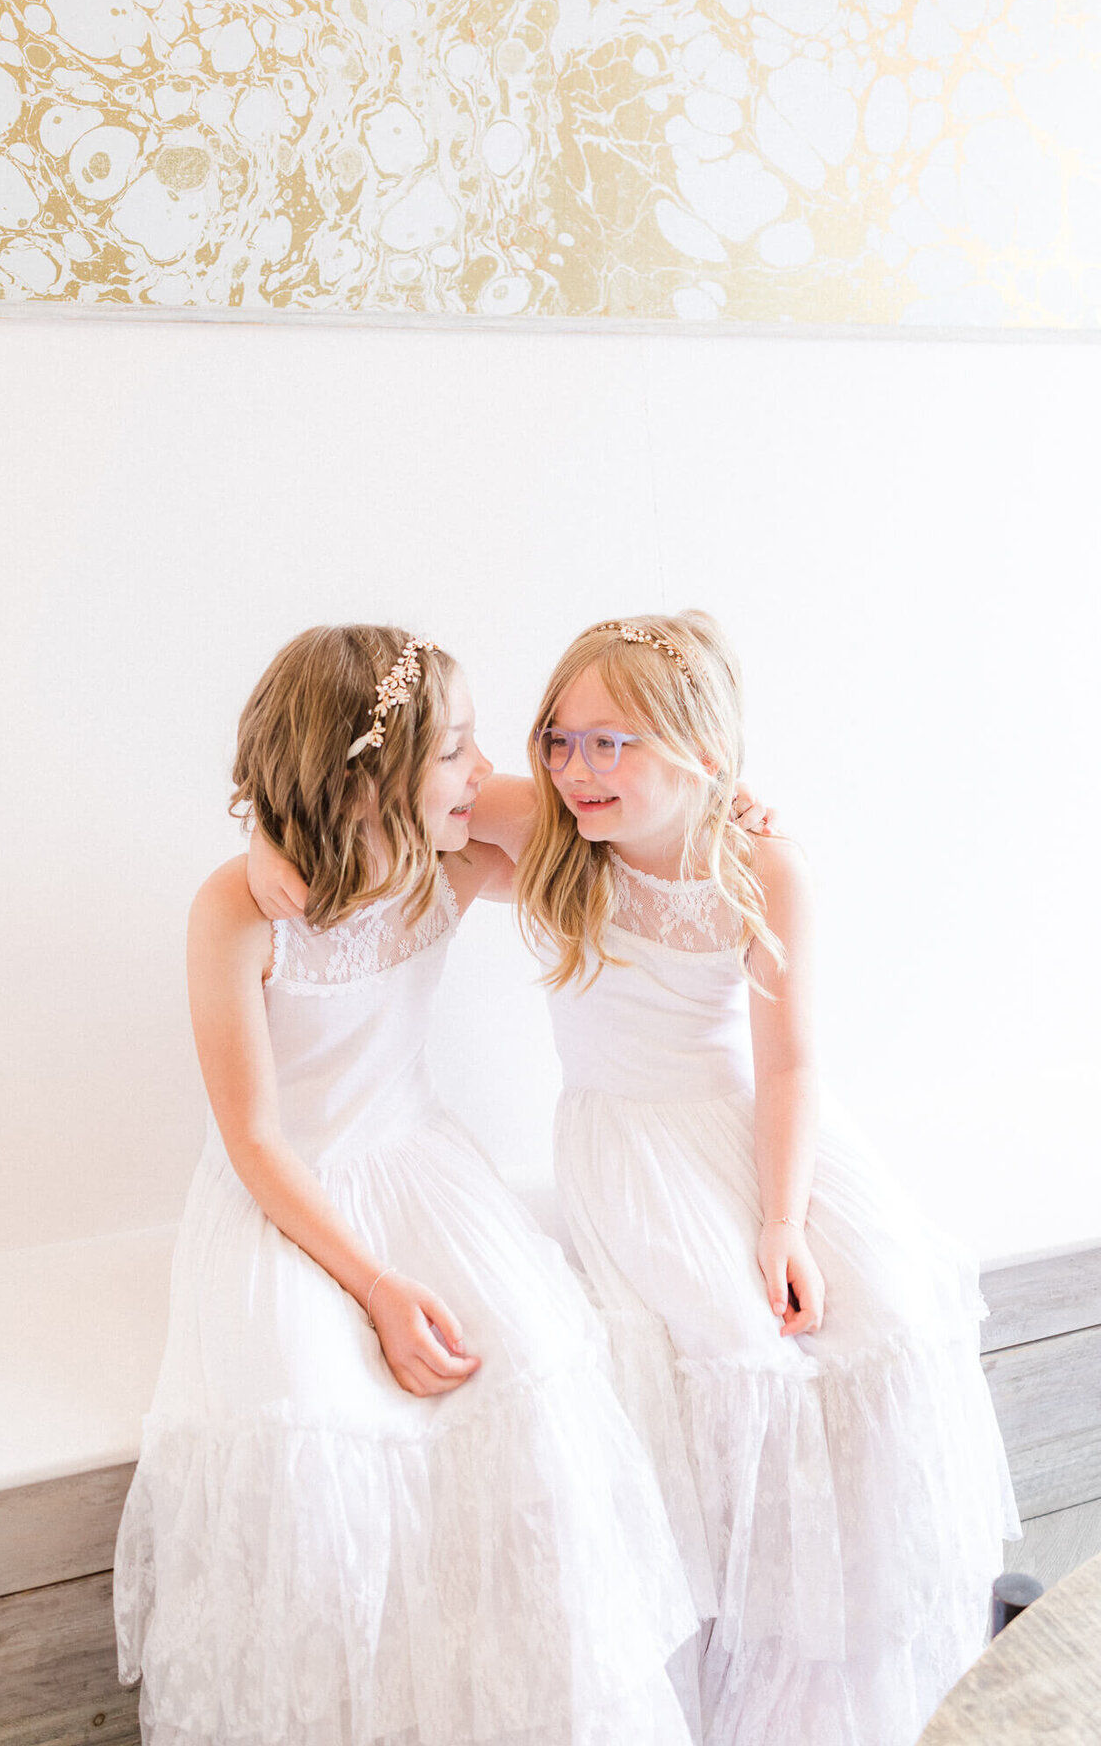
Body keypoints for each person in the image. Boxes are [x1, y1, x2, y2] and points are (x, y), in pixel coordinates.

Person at [113, 624, 707, 1746]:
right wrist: (379, 1287)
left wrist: (734, 804)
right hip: (288, 1201)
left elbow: (574, 817)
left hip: (420, 1167)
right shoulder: (238, 912)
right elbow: (254, 1139)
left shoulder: (455, 863)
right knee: (317, 1422)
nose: (487, 774)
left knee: (529, 1371)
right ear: (369, 777)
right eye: (460, 751)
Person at [497, 611, 1020, 1746]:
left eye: (613, 743)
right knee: (734, 1343)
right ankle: (728, 1623)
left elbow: (789, 1063)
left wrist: (782, 1220)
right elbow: (422, 808)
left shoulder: (759, 863)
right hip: (630, 1142)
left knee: (887, 1305)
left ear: (701, 750)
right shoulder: (550, 824)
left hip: (754, 1129)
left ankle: (838, 1640)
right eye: (560, 738)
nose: (578, 770)